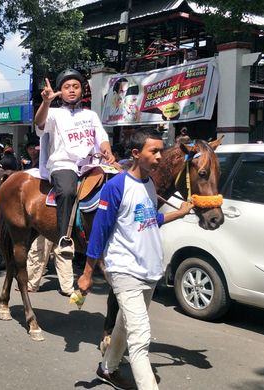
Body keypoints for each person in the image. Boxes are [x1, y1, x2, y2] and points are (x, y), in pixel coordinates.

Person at [78, 129, 193, 390]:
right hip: (124, 270)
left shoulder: (150, 184)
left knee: (123, 324)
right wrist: (87, 273)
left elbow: (150, 220)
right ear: (135, 154)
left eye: (161, 150)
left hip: (149, 270)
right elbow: (99, 231)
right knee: (140, 337)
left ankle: (107, 369)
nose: (160, 156)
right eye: (154, 151)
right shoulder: (116, 186)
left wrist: (181, 213)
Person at [34, 69, 115, 264]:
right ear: (60, 91)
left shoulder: (90, 115)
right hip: (63, 164)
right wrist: (46, 102)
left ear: (81, 90)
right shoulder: (53, 113)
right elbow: (39, 122)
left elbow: (101, 137)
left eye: (76, 87)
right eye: (67, 87)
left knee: (119, 184)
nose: (71, 90)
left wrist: (108, 151)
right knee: (68, 190)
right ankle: (64, 239)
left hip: (91, 163)